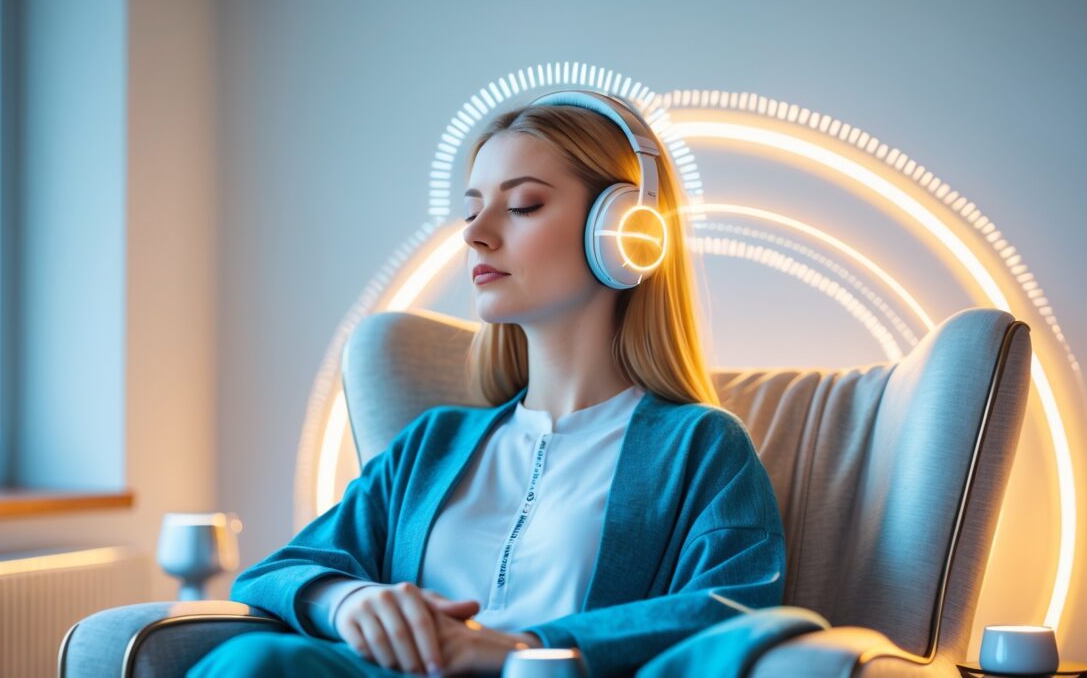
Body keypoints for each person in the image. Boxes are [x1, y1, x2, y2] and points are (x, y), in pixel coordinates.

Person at [188, 90, 786, 678]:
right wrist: (349, 603)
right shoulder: (433, 443)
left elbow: (736, 607)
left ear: (624, 231)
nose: (475, 234)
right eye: (472, 209)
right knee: (255, 660)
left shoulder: (701, 446)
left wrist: (522, 648)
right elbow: (277, 572)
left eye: (522, 205)